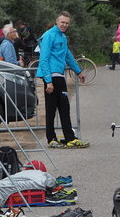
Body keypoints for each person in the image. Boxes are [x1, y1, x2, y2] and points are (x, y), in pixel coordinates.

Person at [36, 11, 89, 149]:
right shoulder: (48, 35)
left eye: (67, 23)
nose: (64, 25)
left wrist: (78, 71)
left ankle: (70, 138)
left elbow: (67, 56)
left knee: (64, 107)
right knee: (51, 108)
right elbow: (44, 59)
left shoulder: (63, 37)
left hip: (59, 75)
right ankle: (51, 138)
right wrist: (48, 81)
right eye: (62, 22)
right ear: (57, 22)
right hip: (51, 76)